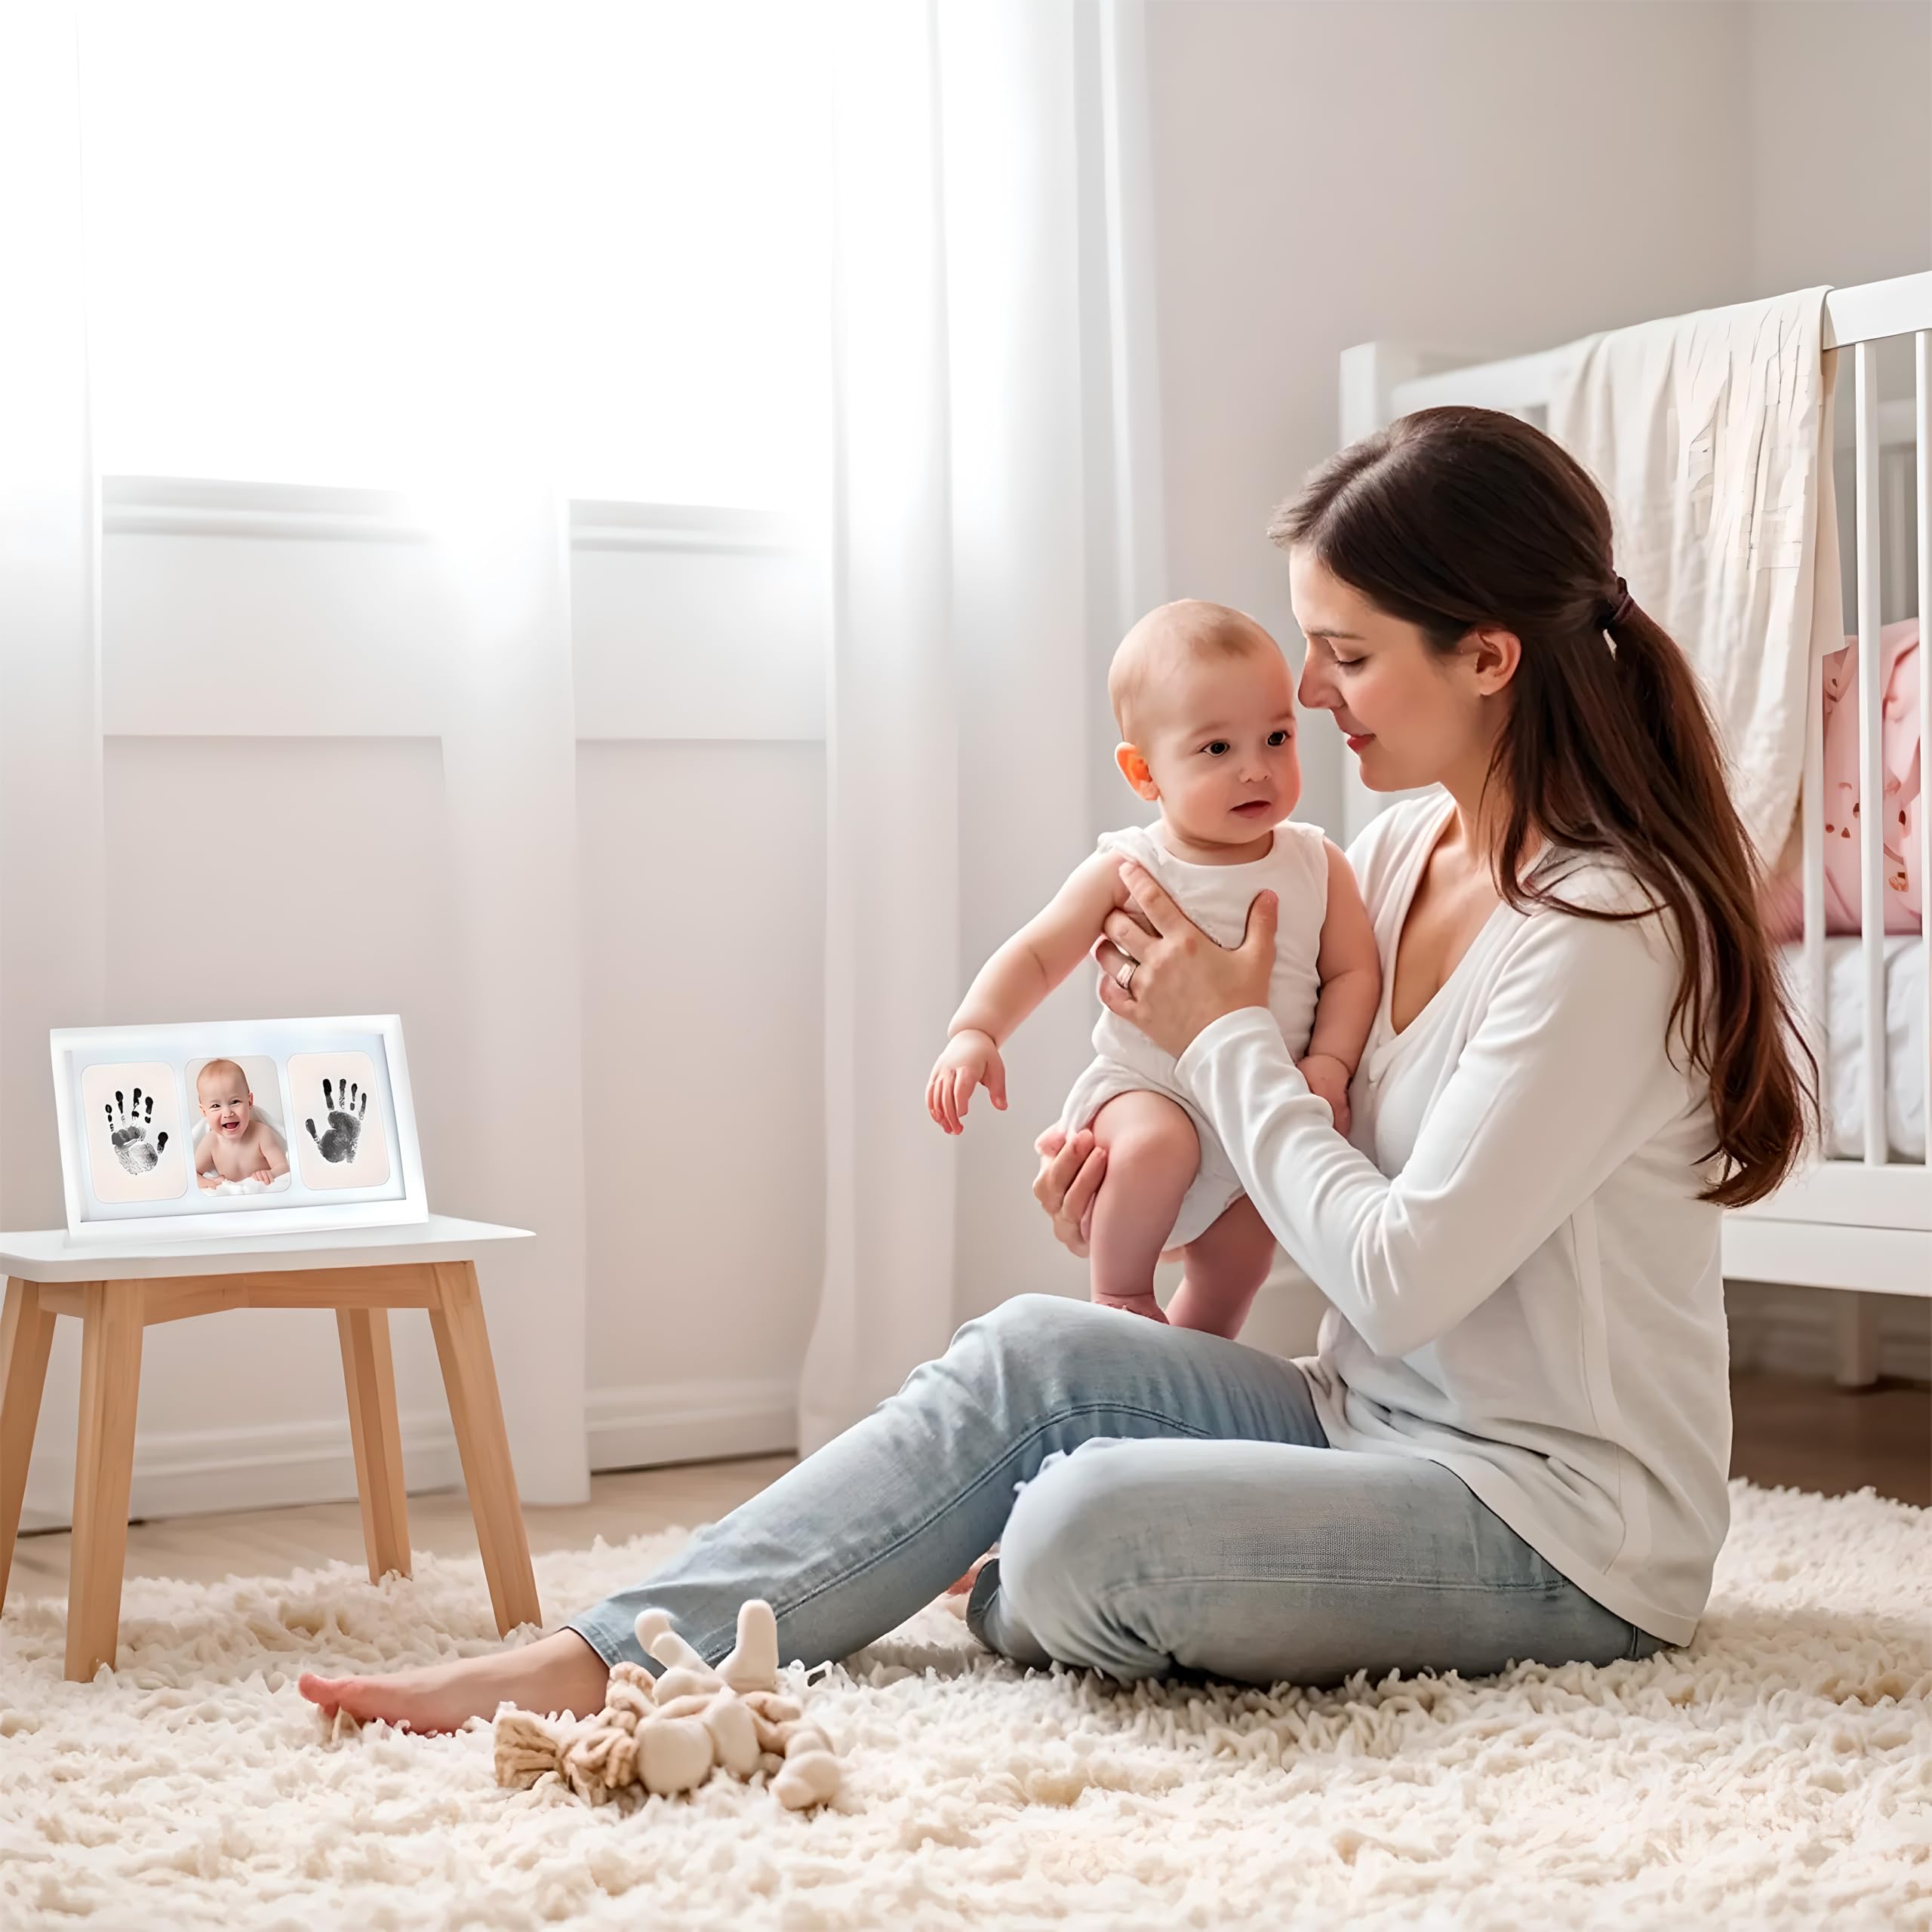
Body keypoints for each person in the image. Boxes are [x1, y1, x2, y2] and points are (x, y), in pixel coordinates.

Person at [299, 406, 1813, 1735]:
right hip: (1369, 1418)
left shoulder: (1605, 928)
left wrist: (1220, 1035)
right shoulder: (1405, 848)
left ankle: (994, 1565)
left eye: (1344, 652)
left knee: (1094, 1521)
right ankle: (602, 1652)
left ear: (1484, 656)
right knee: (1031, 1349)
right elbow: (1312, 1147)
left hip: (1555, 1522)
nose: (1308, 686)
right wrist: (1141, 1147)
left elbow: (1400, 1270)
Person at [926, 598, 1378, 1336]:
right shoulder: (1131, 865)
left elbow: (1354, 973)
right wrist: (975, 1030)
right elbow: (1040, 953)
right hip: (1148, 1090)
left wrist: (1328, 1061)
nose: (1256, 770)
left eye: (1276, 737)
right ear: (1144, 772)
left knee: (1244, 1251)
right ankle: (1122, 1298)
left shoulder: (1317, 861)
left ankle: (1196, 1355)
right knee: (1155, 1149)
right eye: (1216, 750)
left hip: (1256, 1110)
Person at [192, 1059, 288, 1190]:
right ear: (204, 1112)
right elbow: (191, 1176)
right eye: (216, 1106)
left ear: (249, 1102)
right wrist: (212, 1183)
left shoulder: (261, 1134)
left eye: (235, 1102)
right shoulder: (211, 1142)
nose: (227, 1113)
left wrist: (270, 1173)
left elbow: (284, 1167)